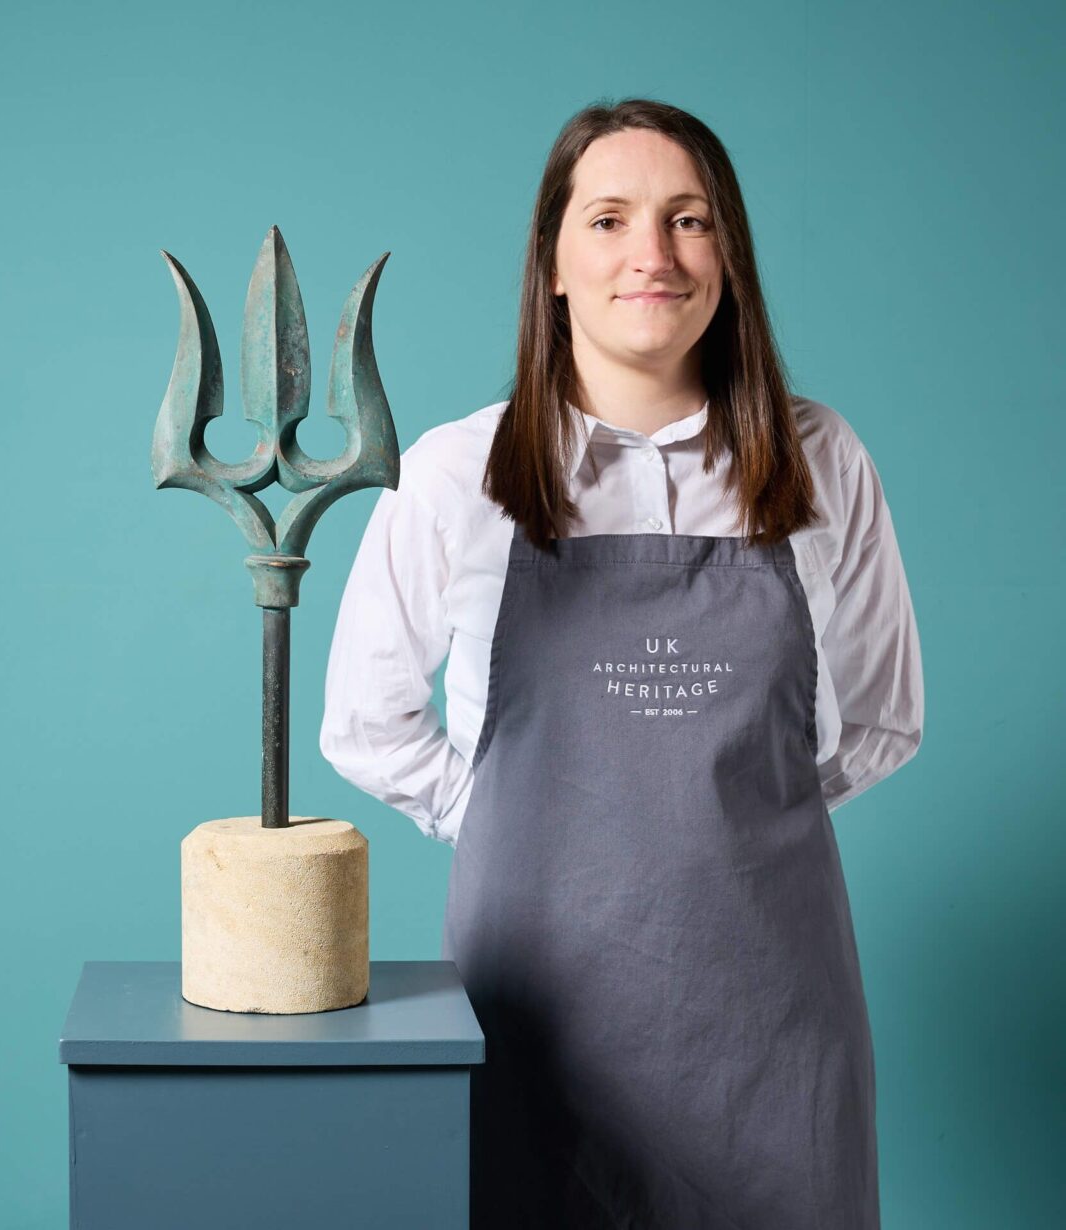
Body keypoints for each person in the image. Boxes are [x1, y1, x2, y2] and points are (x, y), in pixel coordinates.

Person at [320, 97, 924, 1229]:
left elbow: (884, 715)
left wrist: (735, 819)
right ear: (552, 264)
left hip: (776, 1026)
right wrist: (517, 822)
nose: (653, 254)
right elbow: (364, 723)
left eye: (689, 220)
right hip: (534, 1015)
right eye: (608, 220)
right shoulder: (457, 473)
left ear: (727, 256)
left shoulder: (823, 458)